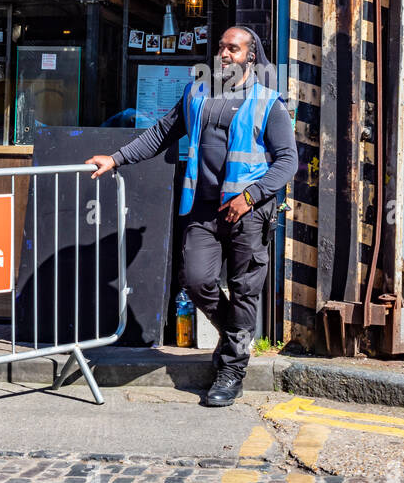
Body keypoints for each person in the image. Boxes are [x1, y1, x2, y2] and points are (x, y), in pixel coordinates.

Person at [86, 26, 297, 407]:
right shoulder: (197, 93)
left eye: (232, 49)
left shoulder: (269, 103)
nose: (223, 54)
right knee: (196, 281)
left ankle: (232, 370)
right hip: (203, 208)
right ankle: (235, 334)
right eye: (220, 47)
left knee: (245, 289)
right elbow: (160, 134)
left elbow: (287, 162)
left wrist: (250, 196)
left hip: (248, 213)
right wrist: (115, 158)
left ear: (250, 56)